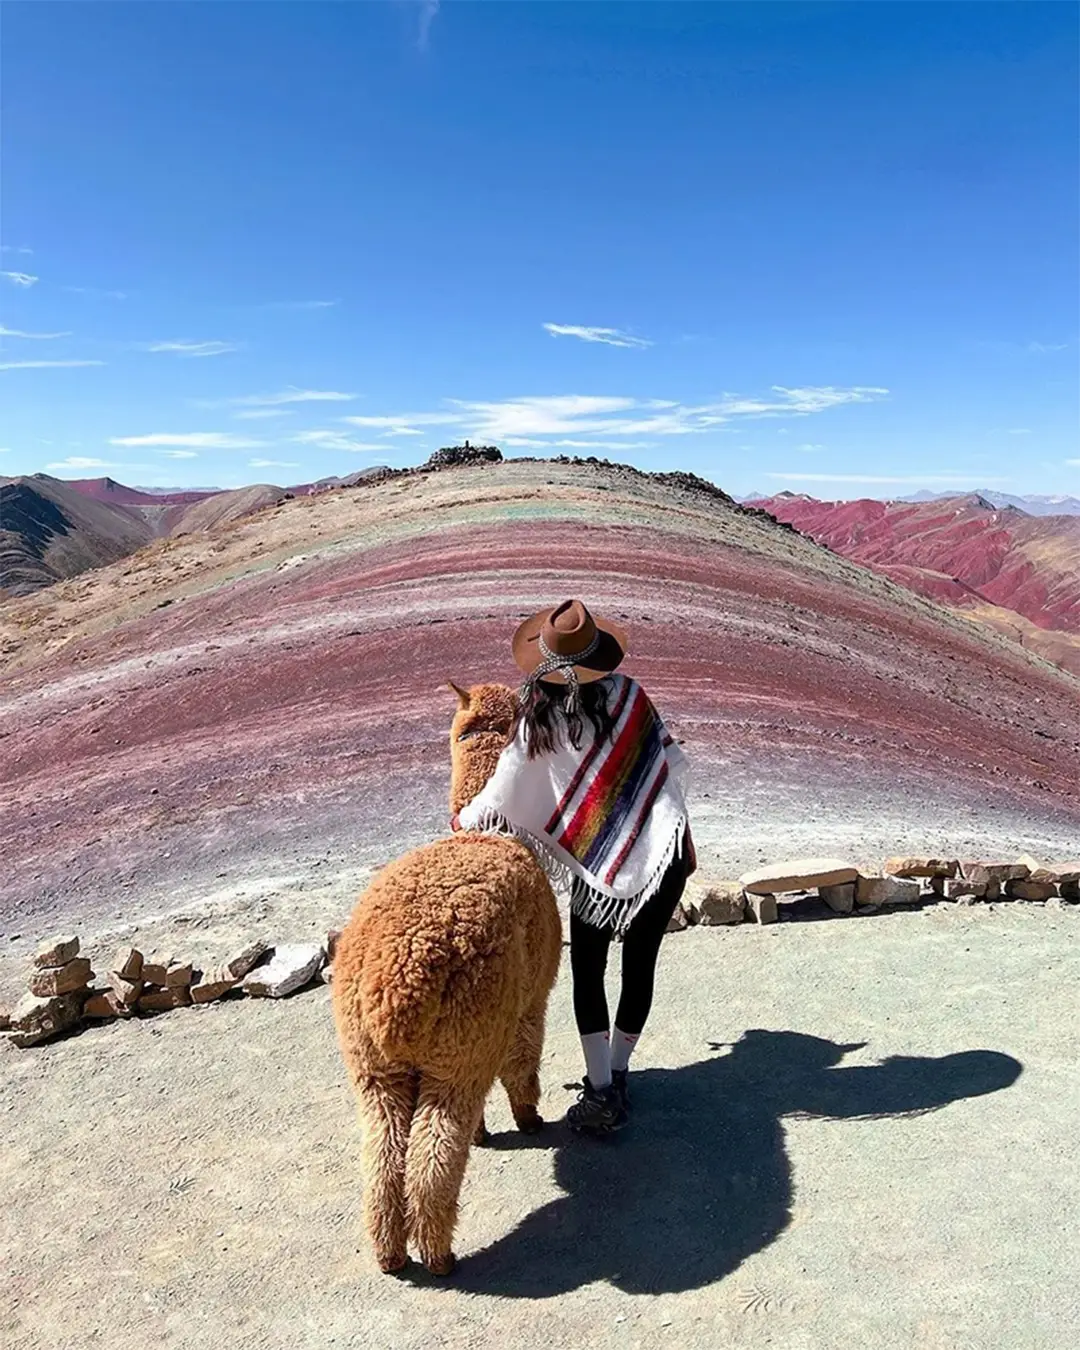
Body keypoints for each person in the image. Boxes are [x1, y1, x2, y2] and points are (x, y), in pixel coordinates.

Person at [453, 599, 695, 1136]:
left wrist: (464, 817)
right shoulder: (630, 697)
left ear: (544, 656)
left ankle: (602, 1090)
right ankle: (618, 1073)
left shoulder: (535, 712)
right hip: (662, 854)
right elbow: (666, 768)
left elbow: (503, 793)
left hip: (596, 873)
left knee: (588, 972)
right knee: (640, 967)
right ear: (596, 655)